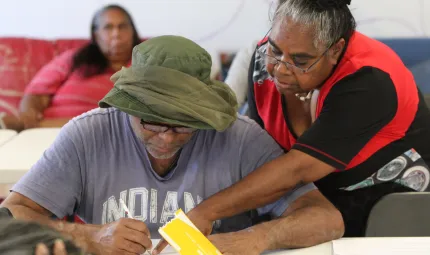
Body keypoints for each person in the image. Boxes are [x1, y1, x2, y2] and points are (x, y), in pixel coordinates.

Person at [0, 35, 344, 255]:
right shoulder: (87, 135)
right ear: (126, 106)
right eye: (150, 122)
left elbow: (326, 219)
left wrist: (257, 238)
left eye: (183, 126)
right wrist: (89, 237)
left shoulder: (241, 138)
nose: (165, 137)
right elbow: (14, 213)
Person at [153, 0, 430, 251]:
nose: (281, 69)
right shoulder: (264, 63)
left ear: (335, 50)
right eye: (275, 49)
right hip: (306, 203)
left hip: (388, 204)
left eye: (300, 60)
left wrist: (206, 212)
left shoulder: (370, 80)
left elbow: (299, 168)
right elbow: (258, 148)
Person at [18, 4, 141, 130]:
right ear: (96, 35)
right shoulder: (74, 58)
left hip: (108, 132)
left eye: (122, 26)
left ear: (132, 31)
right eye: (108, 27)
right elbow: (36, 94)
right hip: (49, 131)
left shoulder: (146, 62)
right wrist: (29, 115)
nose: (116, 34)